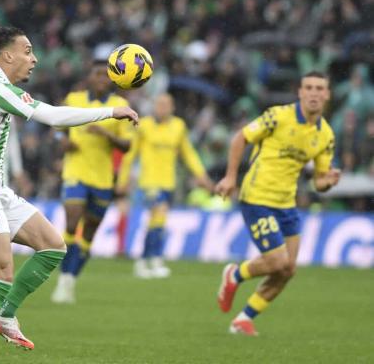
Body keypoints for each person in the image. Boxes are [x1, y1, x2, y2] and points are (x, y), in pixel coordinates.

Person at [0, 26, 138, 364]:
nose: (34, 58)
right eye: (27, 51)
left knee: (53, 245)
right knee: (0, 273)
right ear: (7, 54)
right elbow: (52, 116)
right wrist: (112, 111)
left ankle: (5, 314)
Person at [215, 71, 340, 336]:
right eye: (309, 87)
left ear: (327, 94)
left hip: (286, 203)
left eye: (320, 88)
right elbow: (241, 138)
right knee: (275, 261)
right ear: (300, 92)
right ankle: (235, 275)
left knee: (288, 269)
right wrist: (230, 176)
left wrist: (328, 181)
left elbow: (318, 181)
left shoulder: (326, 135)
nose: (314, 93)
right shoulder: (277, 116)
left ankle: (243, 319)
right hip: (257, 196)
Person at [50, 60, 135, 304]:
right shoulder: (74, 99)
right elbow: (56, 126)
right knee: (72, 222)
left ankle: (70, 280)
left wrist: (107, 134)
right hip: (75, 172)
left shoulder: (120, 106)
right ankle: (63, 276)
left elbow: (128, 145)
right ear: (89, 77)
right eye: (96, 74)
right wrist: (61, 141)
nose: (101, 79)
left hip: (103, 178)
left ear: (112, 79)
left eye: (105, 75)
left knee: (89, 233)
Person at [117, 93, 214, 278]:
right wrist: (123, 180)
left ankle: (144, 261)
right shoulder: (143, 126)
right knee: (159, 216)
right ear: (154, 106)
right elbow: (130, 155)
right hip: (149, 182)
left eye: (166, 104)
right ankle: (154, 258)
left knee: (157, 220)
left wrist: (202, 176)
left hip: (169, 182)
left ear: (173, 107)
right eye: (159, 104)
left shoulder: (178, 126)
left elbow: (188, 153)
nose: (162, 108)